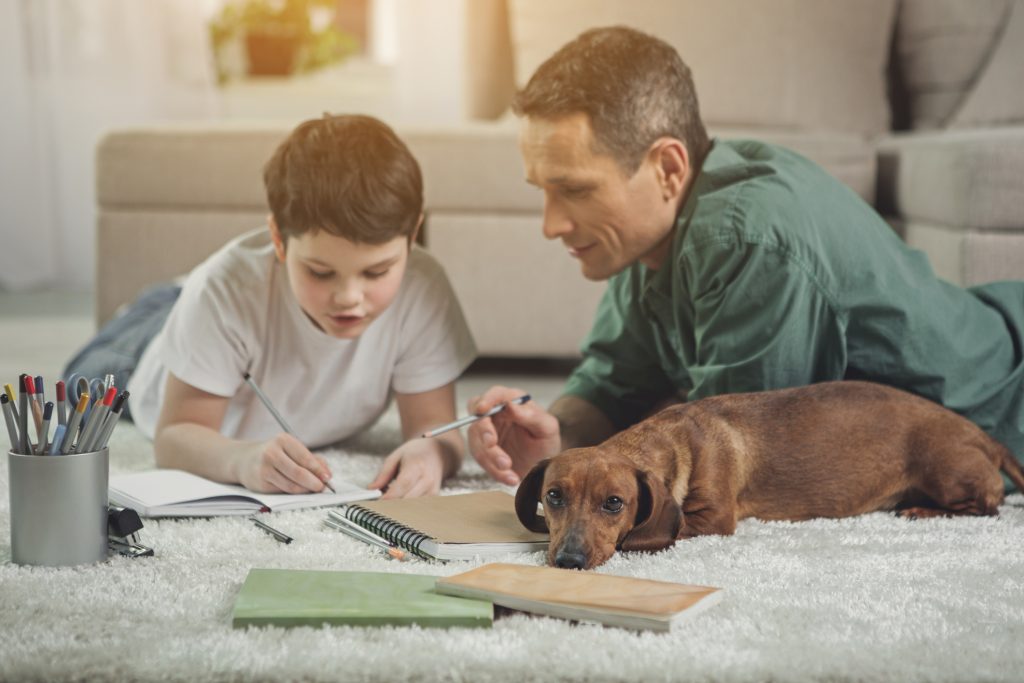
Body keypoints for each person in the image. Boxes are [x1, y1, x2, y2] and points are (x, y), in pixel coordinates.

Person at [467, 26, 1024, 487]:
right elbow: (614, 380)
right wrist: (557, 432)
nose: (550, 224)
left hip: (1002, 409)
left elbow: (721, 465)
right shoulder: (647, 236)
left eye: (576, 190)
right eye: (541, 189)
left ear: (667, 169)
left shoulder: (743, 237)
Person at [66, 114, 477, 498]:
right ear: (278, 239)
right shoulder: (224, 291)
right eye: (320, 272)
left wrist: (433, 453)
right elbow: (175, 436)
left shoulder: (424, 288)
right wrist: (240, 459)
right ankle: (164, 302)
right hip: (144, 350)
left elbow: (434, 429)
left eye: (376, 272)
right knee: (77, 384)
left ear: (412, 235)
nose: (349, 297)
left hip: (215, 309)